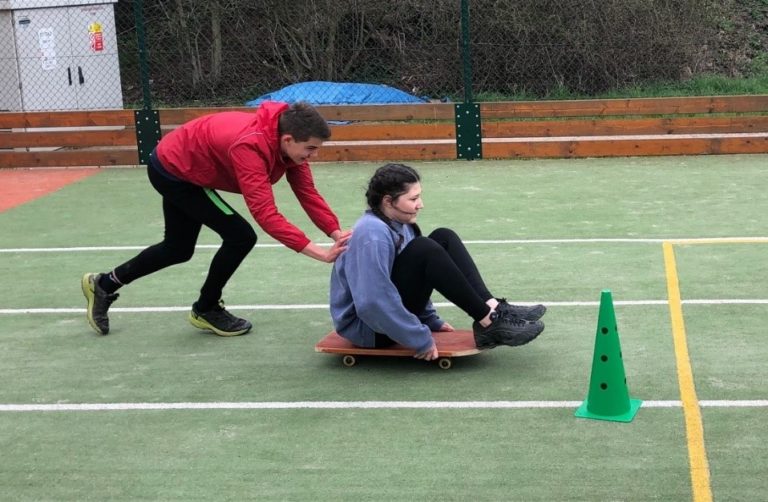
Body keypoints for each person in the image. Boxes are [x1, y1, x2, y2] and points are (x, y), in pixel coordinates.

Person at [82, 101, 350, 337]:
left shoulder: (286, 142)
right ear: (288, 139)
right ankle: (206, 308)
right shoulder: (250, 147)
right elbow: (265, 214)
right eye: (311, 148)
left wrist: (336, 233)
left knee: (177, 249)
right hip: (174, 170)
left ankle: (104, 284)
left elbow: (307, 193)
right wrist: (319, 253)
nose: (314, 155)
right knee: (240, 236)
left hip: (185, 162)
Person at [329, 163, 546, 361]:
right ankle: (490, 323)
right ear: (388, 201)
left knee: (444, 237)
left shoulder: (399, 223)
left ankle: (493, 309)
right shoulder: (372, 234)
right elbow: (372, 301)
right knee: (425, 248)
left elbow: (413, 276)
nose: (420, 204)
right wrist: (417, 337)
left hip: (383, 320)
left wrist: (429, 320)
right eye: (413, 199)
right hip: (368, 330)